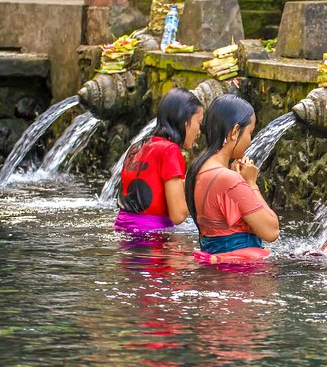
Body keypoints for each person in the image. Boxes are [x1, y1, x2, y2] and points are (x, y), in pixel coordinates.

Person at [185, 94, 279, 262]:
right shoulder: (228, 179)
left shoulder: (197, 169)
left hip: (217, 265)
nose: (250, 140)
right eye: (250, 133)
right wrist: (250, 183)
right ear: (235, 131)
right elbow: (271, 231)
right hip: (240, 274)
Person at [114, 88, 203, 233]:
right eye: (199, 122)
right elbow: (178, 215)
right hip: (151, 235)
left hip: (122, 228)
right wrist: (198, 190)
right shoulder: (170, 151)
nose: (199, 131)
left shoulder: (139, 145)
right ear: (185, 121)